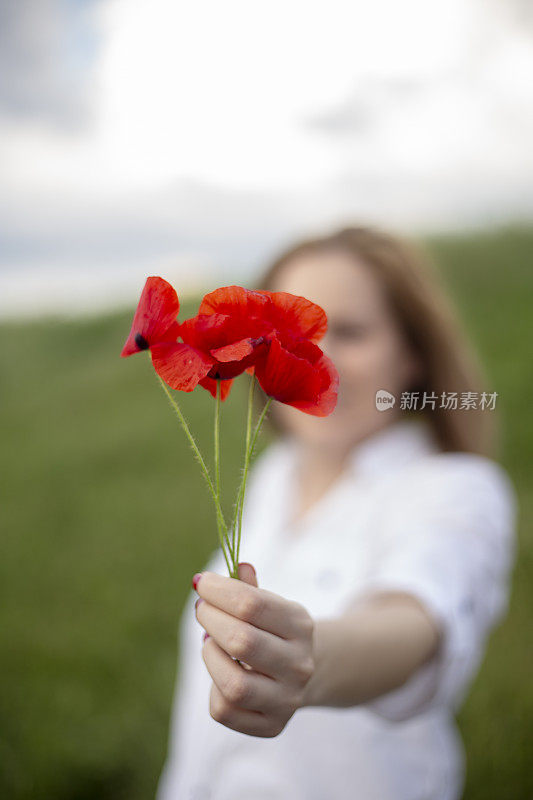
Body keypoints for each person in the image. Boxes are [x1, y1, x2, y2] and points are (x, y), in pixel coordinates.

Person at [156, 226, 516, 800]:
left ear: (414, 355)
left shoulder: (455, 489)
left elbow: (410, 621)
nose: (314, 354)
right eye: (287, 334)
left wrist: (306, 663)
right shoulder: (274, 474)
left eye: (348, 331)